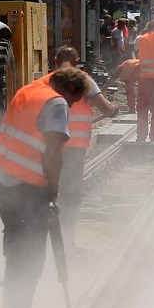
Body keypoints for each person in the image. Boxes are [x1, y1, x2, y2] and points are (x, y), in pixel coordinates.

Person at [0, 67, 89, 308]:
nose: (71, 106)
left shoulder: (28, 91)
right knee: (30, 256)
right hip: (29, 188)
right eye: (73, 101)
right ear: (68, 91)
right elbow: (53, 151)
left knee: (17, 252)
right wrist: (54, 188)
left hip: (3, 183)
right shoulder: (56, 103)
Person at [41, 47, 118, 247]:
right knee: (71, 194)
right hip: (74, 147)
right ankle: (67, 242)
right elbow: (105, 107)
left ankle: (44, 241)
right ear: (77, 60)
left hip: (50, 148)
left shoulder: (47, 81)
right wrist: (113, 110)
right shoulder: (84, 80)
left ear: (55, 60)